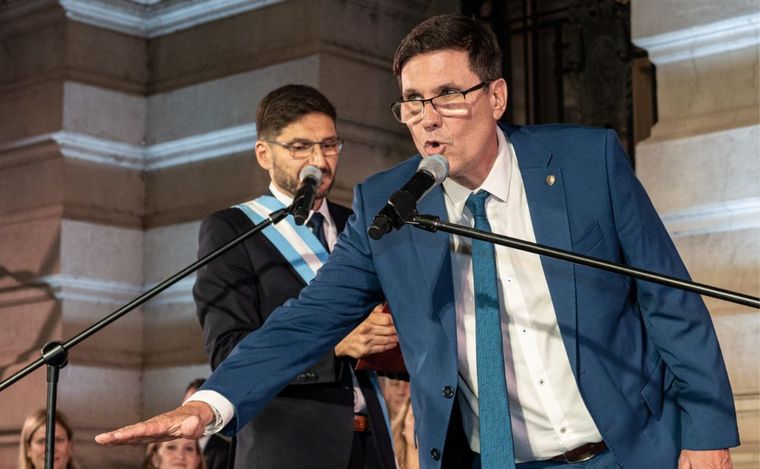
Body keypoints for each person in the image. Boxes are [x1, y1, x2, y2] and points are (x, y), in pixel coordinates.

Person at [95, 14, 739, 469]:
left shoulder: (585, 162)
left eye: (448, 96)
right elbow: (307, 319)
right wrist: (212, 404)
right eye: (411, 102)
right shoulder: (389, 204)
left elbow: (670, 300)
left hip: (626, 450)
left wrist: (707, 430)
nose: (427, 118)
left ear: (496, 96)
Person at [190, 84, 397, 469]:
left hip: (372, 444)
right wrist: (334, 348)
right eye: (300, 147)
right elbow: (227, 351)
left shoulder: (357, 223)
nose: (319, 160)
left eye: (330, 145)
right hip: (287, 449)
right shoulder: (235, 230)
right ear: (264, 154)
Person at [184, 379, 232, 469]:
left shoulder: (226, 451)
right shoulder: (174, 444)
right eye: (187, 406)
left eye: (198, 407)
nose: (191, 413)